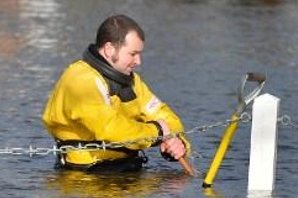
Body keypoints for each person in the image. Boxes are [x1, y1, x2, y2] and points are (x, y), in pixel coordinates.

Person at [41, 14, 191, 172]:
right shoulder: (80, 80)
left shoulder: (131, 81)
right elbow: (110, 129)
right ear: (109, 49)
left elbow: (164, 116)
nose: (139, 61)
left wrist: (177, 142)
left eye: (139, 54)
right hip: (85, 179)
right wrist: (158, 132)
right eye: (133, 54)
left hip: (128, 171)